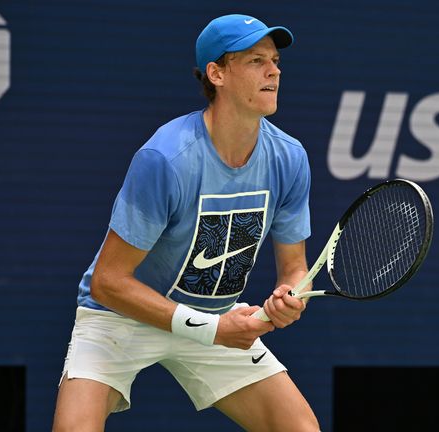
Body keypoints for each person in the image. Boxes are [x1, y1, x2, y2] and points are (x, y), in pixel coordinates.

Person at [52, 14, 320, 432]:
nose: (273, 71)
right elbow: (108, 281)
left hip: (216, 315)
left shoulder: (290, 158)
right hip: (122, 314)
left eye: (275, 60)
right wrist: (211, 329)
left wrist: (290, 298)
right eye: (255, 61)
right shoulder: (166, 159)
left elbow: (294, 268)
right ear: (217, 73)